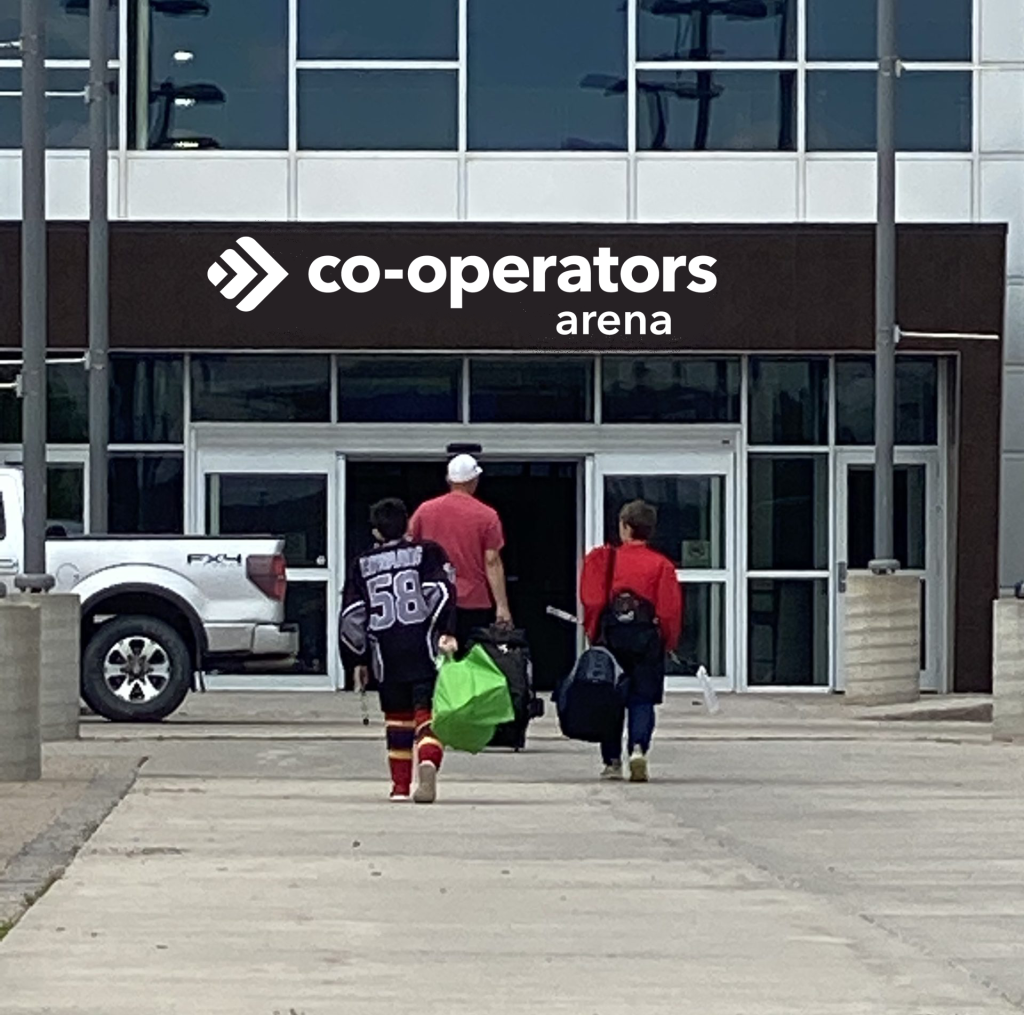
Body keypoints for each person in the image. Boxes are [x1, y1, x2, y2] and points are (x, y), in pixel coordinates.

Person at [339, 497, 457, 803]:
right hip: (422, 649)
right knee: (427, 715)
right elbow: (442, 592)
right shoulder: (427, 553)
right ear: (407, 525)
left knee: (397, 719)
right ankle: (428, 760)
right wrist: (445, 630)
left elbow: (351, 617)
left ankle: (400, 787)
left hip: (385, 655)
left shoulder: (361, 564)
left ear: (376, 532)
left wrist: (357, 659)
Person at [580, 499, 682, 783]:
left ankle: (612, 761)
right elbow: (669, 610)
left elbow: (592, 600)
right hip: (647, 639)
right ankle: (638, 748)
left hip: (611, 638)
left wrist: (592, 633)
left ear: (624, 526)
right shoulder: (662, 565)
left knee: (609, 698)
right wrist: (668, 641)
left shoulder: (602, 558)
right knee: (642, 699)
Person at [408, 453, 512, 653]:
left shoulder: (424, 511)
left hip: (432, 599)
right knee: (470, 664)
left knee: (435, 661)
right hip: (473, 601)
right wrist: (502, 606)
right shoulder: (487, 516)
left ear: (449, 480)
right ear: (474, 480)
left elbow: (409, 551)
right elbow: (492, 561)